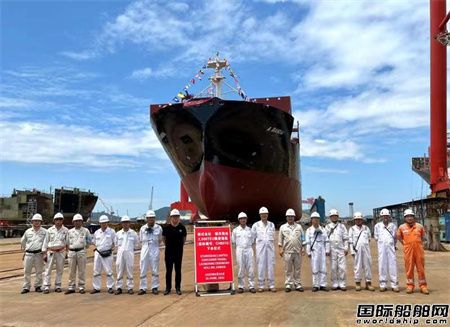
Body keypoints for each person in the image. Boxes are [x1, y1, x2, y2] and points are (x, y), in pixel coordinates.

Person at [397, 209, 429, 295]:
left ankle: (423, 286)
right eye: (407, 216)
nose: (409, 218)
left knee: (420, 268)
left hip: (419, 251)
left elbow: (423, 237)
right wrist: (405, 244)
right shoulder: (401, 227)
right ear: (405, 218)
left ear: (414, 217)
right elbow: (399, 237)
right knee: (409, 268)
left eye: (411, 216)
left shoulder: (419, 226)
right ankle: (410, 285)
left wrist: (419, 244)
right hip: (408, 251)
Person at [20, 213, 47, 294]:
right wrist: (26, 250)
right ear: (32, 222)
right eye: (35, 221)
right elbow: (22, 241)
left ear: (41, 222)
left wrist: (44, 252)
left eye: (38, 221)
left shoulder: (45, 232)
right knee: (27, 271)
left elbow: (46, 242)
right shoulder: (28, 232)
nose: (36, 222)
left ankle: (38, 286)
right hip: (29, 254)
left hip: (39, 254)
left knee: (39, 271)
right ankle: (26, 287)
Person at [278, 208, 304, 292]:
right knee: (288, 269)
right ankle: (288, 284)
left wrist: (303, 248)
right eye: (289, 216)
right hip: (287, 252)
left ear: (294, 217)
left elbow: (303, 237)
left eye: (292, 216)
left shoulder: (299, 227)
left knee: (297, 268)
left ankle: (297, 284)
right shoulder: (283, 227)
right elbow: (280, 240)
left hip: (297, 251)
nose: (290, 218)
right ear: (286, 217)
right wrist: (280, 249)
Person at [42, 212, 68, 294]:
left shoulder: (66, 230)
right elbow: (45, 242)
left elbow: (67, 242)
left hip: (61, 251)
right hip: (51, 252)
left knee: (60, 269)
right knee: (48, 269)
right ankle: (46, 286)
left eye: (60, 219)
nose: (58, 221)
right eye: (57, 219)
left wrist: (67, 252)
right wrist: (44, 253)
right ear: (54, 220)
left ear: (62, 220)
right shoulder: (49, 230)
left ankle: (58, 286)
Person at [65, 213, 91, 294]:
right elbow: (67, 243)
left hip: (81, 252)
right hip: (72, 252)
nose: (77, 222)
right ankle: (71, 287)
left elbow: (89, 241)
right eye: (76, 221)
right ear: (73, 222)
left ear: (82, 222)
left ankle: (81, 286)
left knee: (81, 270)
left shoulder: (85, 231)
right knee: (71, 271)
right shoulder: (69, 232)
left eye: (79, 221)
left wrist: (83, 248)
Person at [374, 208, 399, 292]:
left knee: (393, 265)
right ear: (381, 217)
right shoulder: (377, 226)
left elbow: (395, 238)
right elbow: (376, 237)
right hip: (381, 248)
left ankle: (394, 284)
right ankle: (383, 284)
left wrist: (392, 245)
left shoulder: (393, 226)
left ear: (389, 217)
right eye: (383, 216)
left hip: (391, 247)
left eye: (387, 216)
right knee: (382, 265)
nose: (385, 217)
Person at [162, 209, 187, 295]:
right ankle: (168, 288)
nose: (175, 218)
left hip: (178, 253)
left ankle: (178, 288)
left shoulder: (182, 228)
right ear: (171, 217)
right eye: (173, 217)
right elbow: (164, 239)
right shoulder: (166, 228)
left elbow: (184, 239)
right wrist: (169, 247)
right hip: (168, 253)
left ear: (179, 217)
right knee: (168, 271)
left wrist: (179, 247)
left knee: (178, 270)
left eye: (177, 217)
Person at [139, 210, 163, 295]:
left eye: (152, 218)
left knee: (155, 269)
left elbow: (160, 239)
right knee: (143, 268)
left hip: (154, 248)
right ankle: (142, 288)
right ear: (146, 219)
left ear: (154, 218)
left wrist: (154, 244)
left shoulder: (159, 228)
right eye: (149, 218)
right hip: (145, 248)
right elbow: (141, 239)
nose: (151, 219)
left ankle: (155, 287)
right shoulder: (142, 228)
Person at [252, 206, 276, 292]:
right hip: (260, 249)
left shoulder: (271, 224)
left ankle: (271, 285)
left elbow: (273, 236)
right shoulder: (256, 225)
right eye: (262, 214)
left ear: (267, 214)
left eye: (265, 214)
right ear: (260, 215)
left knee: (271, 266)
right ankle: (261, 285)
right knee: (261, 266)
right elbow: (252, 238)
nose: (264, 215)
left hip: (270, 248)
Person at [349, 212, 374, 291]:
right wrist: (352, 251)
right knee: (358, 266)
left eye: (360, 219)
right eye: (357, 220)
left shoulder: (366, 228)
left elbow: (369, 238)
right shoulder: (352, 229)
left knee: (368, 266)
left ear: (362, 220)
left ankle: (368, 283)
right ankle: (358, 283)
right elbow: (350, 241)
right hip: (357, 250)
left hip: (366, 250)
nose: (358, 221)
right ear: (354, 220)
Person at [91, 214, 116, 294]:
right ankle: (96, 287)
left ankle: (110, 287)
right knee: (96, 271)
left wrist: (110, 249)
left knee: (109, 271)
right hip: (98, 253)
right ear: (99, 223)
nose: (104, 224)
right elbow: (94, 242)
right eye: (102, 223)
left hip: (107, 253)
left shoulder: (112, 232)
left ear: (107, 222)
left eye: (105, 222)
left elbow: (115, 243)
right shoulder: (97, 232)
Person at [324, 209, 349, 291]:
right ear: (330, 217)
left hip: (341, 249)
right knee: (333, 267)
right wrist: (327, 250)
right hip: (332, 249)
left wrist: (346, 248)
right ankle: (335, 283)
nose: (334, 217)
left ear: (337, 217)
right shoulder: (327, 227)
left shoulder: (342, 226)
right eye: (332, 216)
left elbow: (345, 238)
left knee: (342, 267)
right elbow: (326, 239)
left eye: (335, 216)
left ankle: (342, 283)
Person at [231, 212, 256, 293]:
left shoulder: (250, 230)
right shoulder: (235, 230)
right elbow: (233, 241)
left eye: (244, 218)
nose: (243, 220)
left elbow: (252, 241)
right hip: (240, 249)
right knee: (241, 268)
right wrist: (238, 249)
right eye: (241, 219)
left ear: (246, 219)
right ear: (239, 220)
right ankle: (241, 286)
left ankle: (251, 286)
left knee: (250, 268)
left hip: (249, 249)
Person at [115, 215, 139, 295]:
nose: (125, 224)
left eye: (127, 222)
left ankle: (130, 287)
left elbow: (136, 244)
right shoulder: (118, 234)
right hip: (120, 253)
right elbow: (116, 244)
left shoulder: (133, 233)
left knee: (129, 269)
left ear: (129, 223)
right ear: (121, 224)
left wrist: (131, 250)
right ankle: (119, 287)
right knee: (119, 269)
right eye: (124, 222)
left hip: (129, 253)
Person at [306, 212, 330, 292]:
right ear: (311, 220)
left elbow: (326, 240)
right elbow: (308, 242)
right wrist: (308, 252)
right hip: (314, 250)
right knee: (315, 267)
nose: (316, 220)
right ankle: (315, 285)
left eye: (317, 219)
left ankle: (323, 284)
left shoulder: (323, 229)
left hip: (322, 250)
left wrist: (327, 250)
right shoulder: (309, 230)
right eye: (314, 219)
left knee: (323, 267)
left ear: (319, 220)